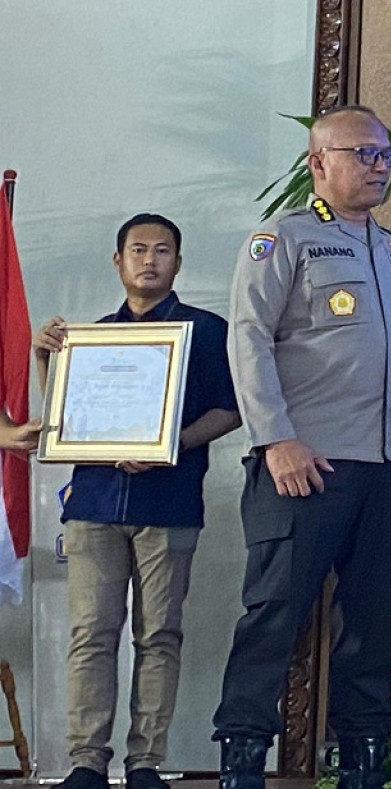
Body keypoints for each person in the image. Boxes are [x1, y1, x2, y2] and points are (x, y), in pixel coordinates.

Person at [212, 105, 391, 789]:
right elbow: (247, 338)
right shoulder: (282, 239)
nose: (378, 166)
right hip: (303, 463)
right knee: (275, 615)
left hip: (385, 470)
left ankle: (362, 762)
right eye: (363, 153)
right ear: (320, 163)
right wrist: (276, 438)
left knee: (375, 622)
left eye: (386, 155)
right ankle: (242, 762)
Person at [30, 213, 241, 789]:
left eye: (163, 250)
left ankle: (146, 761)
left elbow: (231, 409)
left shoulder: (207, 331)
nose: (150, 260)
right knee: (91, 635)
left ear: (178, 262)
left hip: (168, 502)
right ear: (118, 261)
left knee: (159, 635)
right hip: (94, 503)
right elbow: (68, 417)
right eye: (138, 250)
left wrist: (171, 442)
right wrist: (47, 359)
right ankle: (86, 762)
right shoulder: (92, 336)